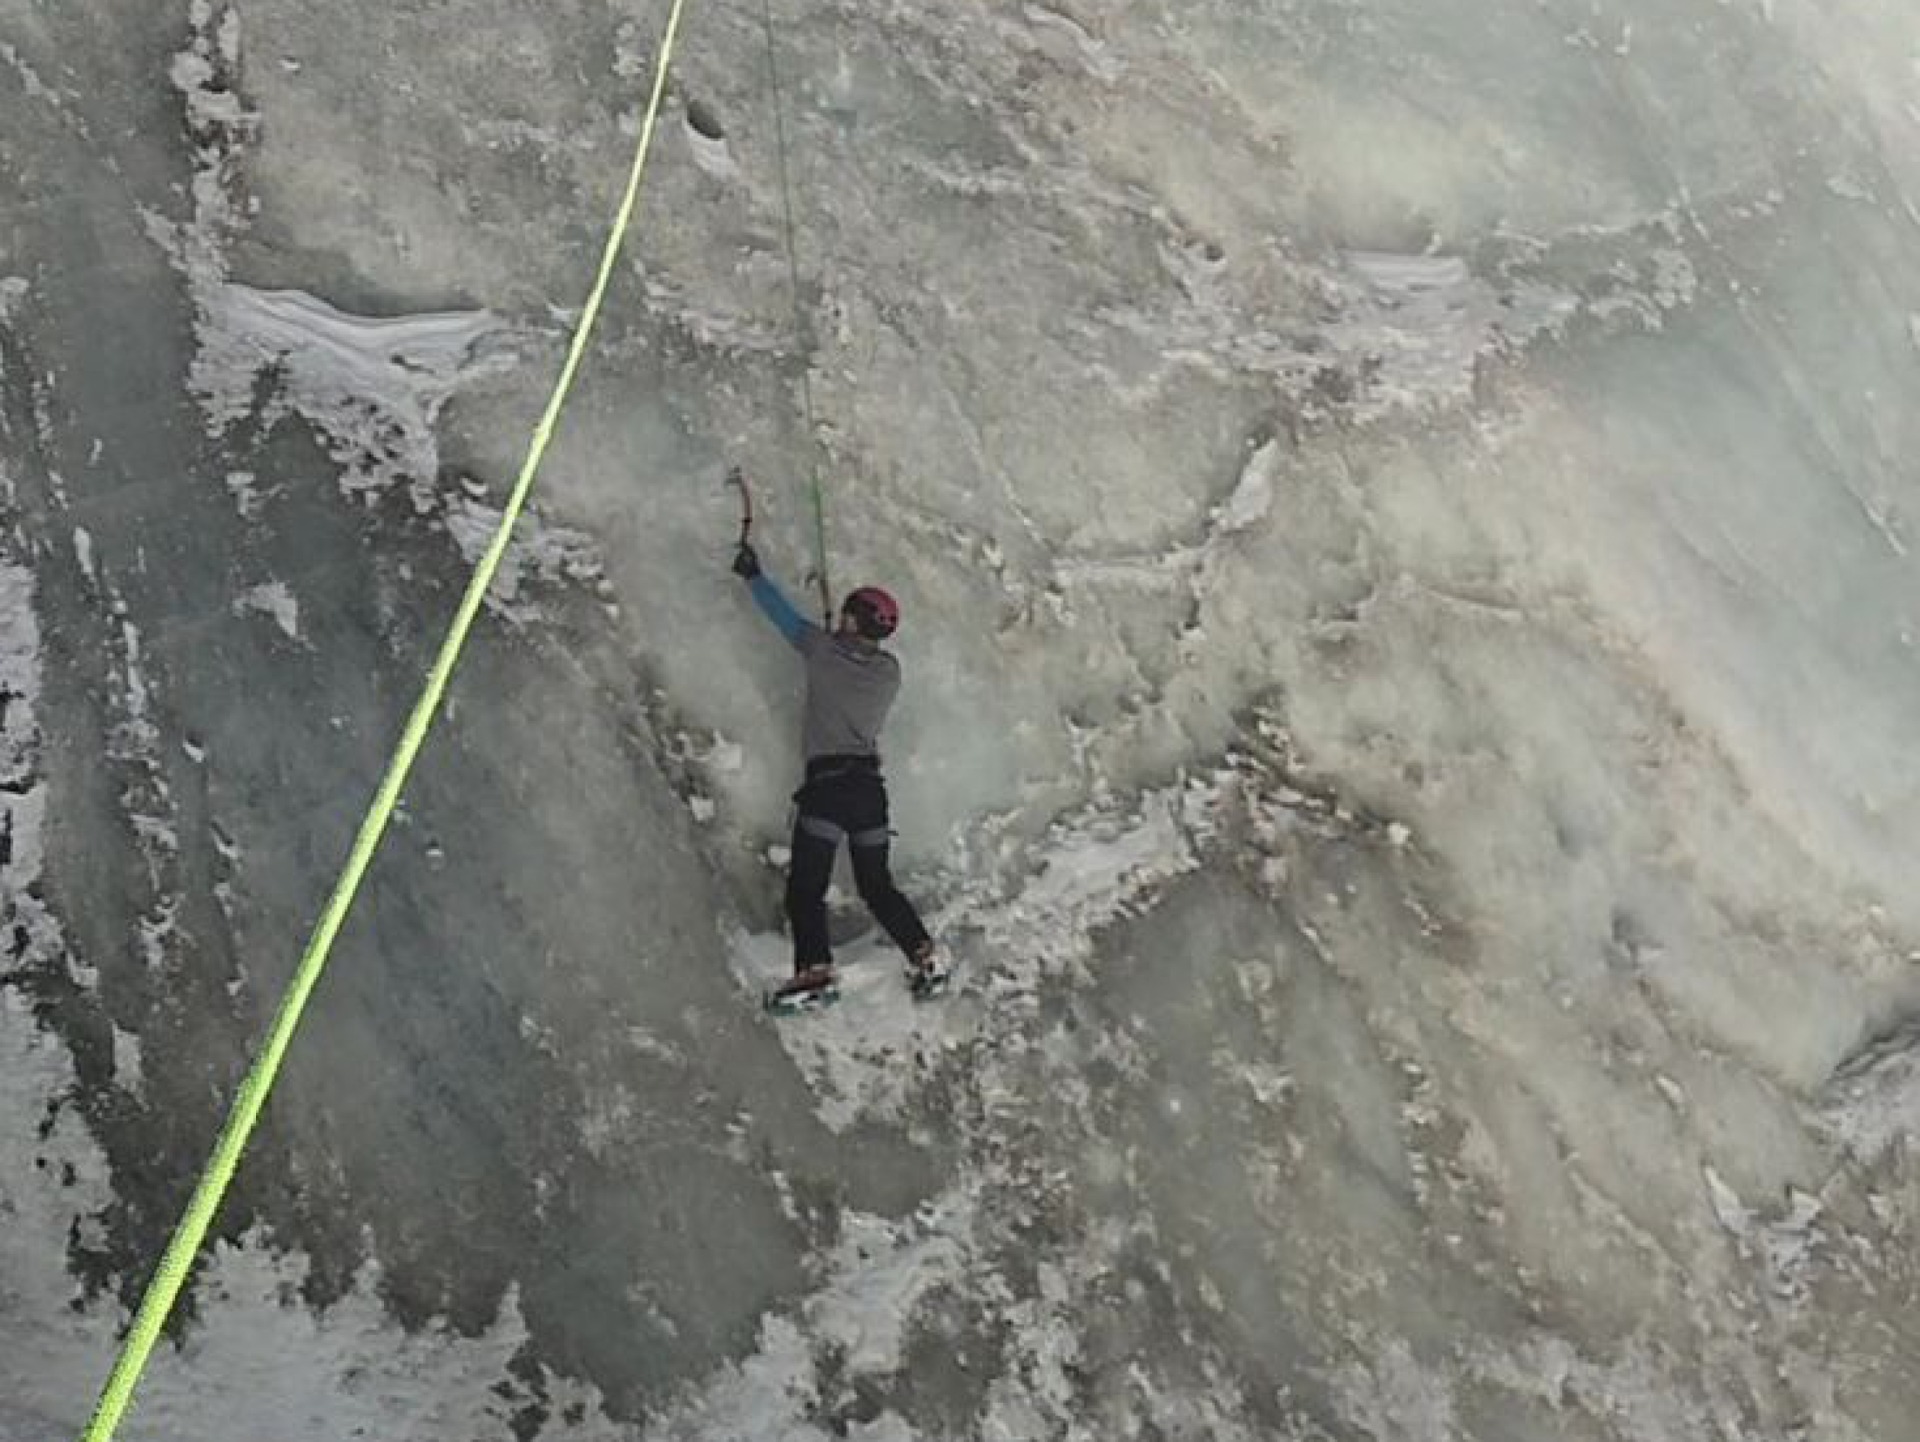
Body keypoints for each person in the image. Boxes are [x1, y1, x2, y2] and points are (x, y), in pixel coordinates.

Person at [732, 538, 942, 1000]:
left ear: (852, 620)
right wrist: (837, 638)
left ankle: (815, 970)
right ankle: (924, 953)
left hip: (828, 788)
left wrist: (752, 574)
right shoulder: (889, 670)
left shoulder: (820, 650)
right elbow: (847, 655)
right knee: (876, 884)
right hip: (868, 790)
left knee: (807, 887)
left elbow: (783, 617)